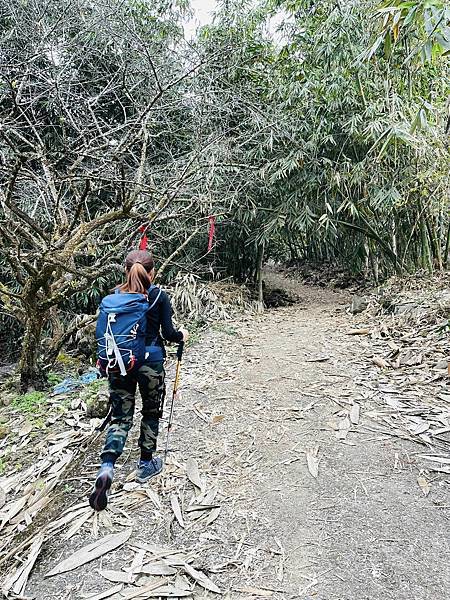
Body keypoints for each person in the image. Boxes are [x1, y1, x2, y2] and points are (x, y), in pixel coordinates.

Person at [89, 250, 188, 511]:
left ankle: (107, 465)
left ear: (125, 270)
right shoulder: (158, 296)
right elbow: (168, 333)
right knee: (151, 412)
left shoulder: (114, 297)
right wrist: (182, 336)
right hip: (151, 363)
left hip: (119, 363)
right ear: (152, 272)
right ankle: (146, 464)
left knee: (121, 416)